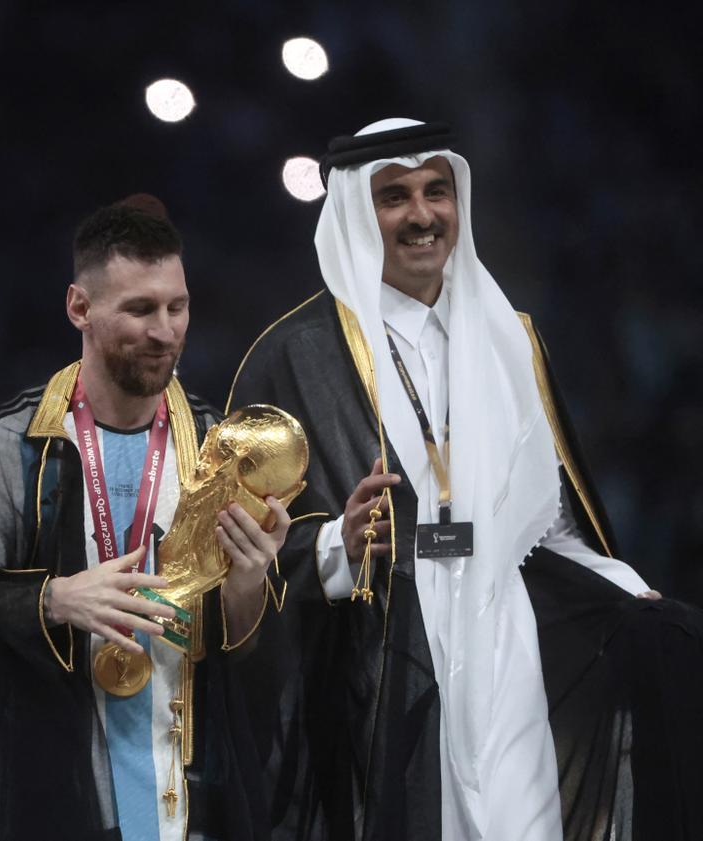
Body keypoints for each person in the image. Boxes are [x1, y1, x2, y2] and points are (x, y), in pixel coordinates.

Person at [228, 119, 703, 841]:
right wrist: (338, 545)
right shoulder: (295, 354)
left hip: (504, 642)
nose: (422, 215)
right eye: (395, 197)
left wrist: (625, 587)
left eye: (435, 191)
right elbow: (235, 556)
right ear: (359, 210)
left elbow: (547, 516)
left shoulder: (510, 335)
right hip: (376, 670)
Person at [0, 195, 287, 841]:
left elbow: (249, 648)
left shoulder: (215, 446)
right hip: (55, 792)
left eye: (177, 307)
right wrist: (55, 598)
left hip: (189, 790)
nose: (165, 330)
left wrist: (250, 581)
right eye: (140, 309)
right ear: (79, 307)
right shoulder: (14, 442)